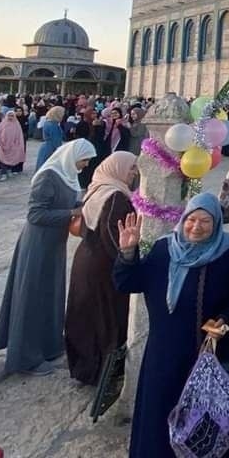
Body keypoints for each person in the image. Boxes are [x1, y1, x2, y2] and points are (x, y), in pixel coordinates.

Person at [113, 193, 229, 458]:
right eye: (191, 219)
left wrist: (225, 318)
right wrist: (128, 253)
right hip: (163, 357)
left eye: (205, 221)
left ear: (217, 222)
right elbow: (128, 283)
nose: (196, 227)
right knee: (159, 424)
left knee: (206, 430)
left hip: (209, 360)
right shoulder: (164, 249)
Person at [0, 139, 97, 375]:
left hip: (54, 244)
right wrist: (73, 212)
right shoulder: (48, 176)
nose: (85, 164)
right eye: (85, 159)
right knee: (33, 298)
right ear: (73, 156)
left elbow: (66, 202)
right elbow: (36, 214)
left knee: (50, 295)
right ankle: (26, 358)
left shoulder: (67, 174)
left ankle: (48, 347)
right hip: (38, 245)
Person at [65, 151, 137, 385]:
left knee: (85, 314)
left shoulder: (97, 187)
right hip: (102, 266)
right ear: (117, 168)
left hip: (85, 259)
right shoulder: (115, 196)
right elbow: (113, 233)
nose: (133, 173)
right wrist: (127, 262)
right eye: (131, 168)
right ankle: (101, 372)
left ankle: (83, 367)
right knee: (105, 316)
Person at [0, 110, 26, 179]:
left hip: (13, 146)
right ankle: (4, 174)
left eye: (12, 116)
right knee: (2, 160)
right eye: (9, 115)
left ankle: (9, 170)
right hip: (2, 145)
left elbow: (19, 136)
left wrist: (17, 145)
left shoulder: (17, 125)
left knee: (11, 159)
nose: (10, 117)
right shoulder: (2, 124)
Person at [35, 106, 65, 171]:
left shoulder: (48, 122)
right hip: (51, 148)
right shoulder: (53, 125)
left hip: (46, 147)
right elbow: (56, 140)